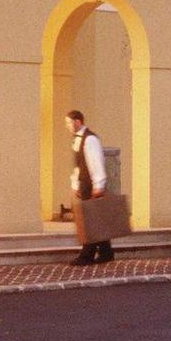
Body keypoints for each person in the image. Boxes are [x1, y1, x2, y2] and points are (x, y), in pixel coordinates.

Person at [66, 110, 114, 265]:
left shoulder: (90, 139)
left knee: (90, 221)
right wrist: (75, 183)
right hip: (84, 183)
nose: (67, 126)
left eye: (69, 123)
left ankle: (87, 254)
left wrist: (98, 185)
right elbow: (79, 165)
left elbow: (96, 162)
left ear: (78, 122)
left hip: (92, 184)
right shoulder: (77, 140)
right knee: (96, 219)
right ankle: (106, 252)